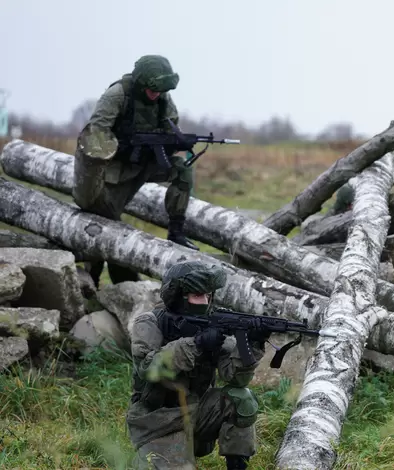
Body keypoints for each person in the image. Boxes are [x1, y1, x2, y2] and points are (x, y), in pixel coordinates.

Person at [126, 261, 267, 469]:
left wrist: (251, 344)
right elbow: (149, 369)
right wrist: (196, 344)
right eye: (197, 295)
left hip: (198, 412)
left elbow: (236, 378)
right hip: (157, 421)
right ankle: (147, 457)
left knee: (241, 398)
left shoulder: (213, 322)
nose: (205, 301)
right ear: (177, 296)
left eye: (208, 295)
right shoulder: (150, 322)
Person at [73, 54, 199, 287]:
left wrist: (175, 142)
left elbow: (170, 127)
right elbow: (95, 134)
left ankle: (176, 231)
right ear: (142, 81)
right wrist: (123, 146)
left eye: (160, 90)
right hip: (112, 171)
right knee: (105, 221)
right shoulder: (118, 95)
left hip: (144, 165)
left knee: (182, 170)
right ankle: (96, 280)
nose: (156, 94)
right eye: (152, 89)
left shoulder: (163, 98)